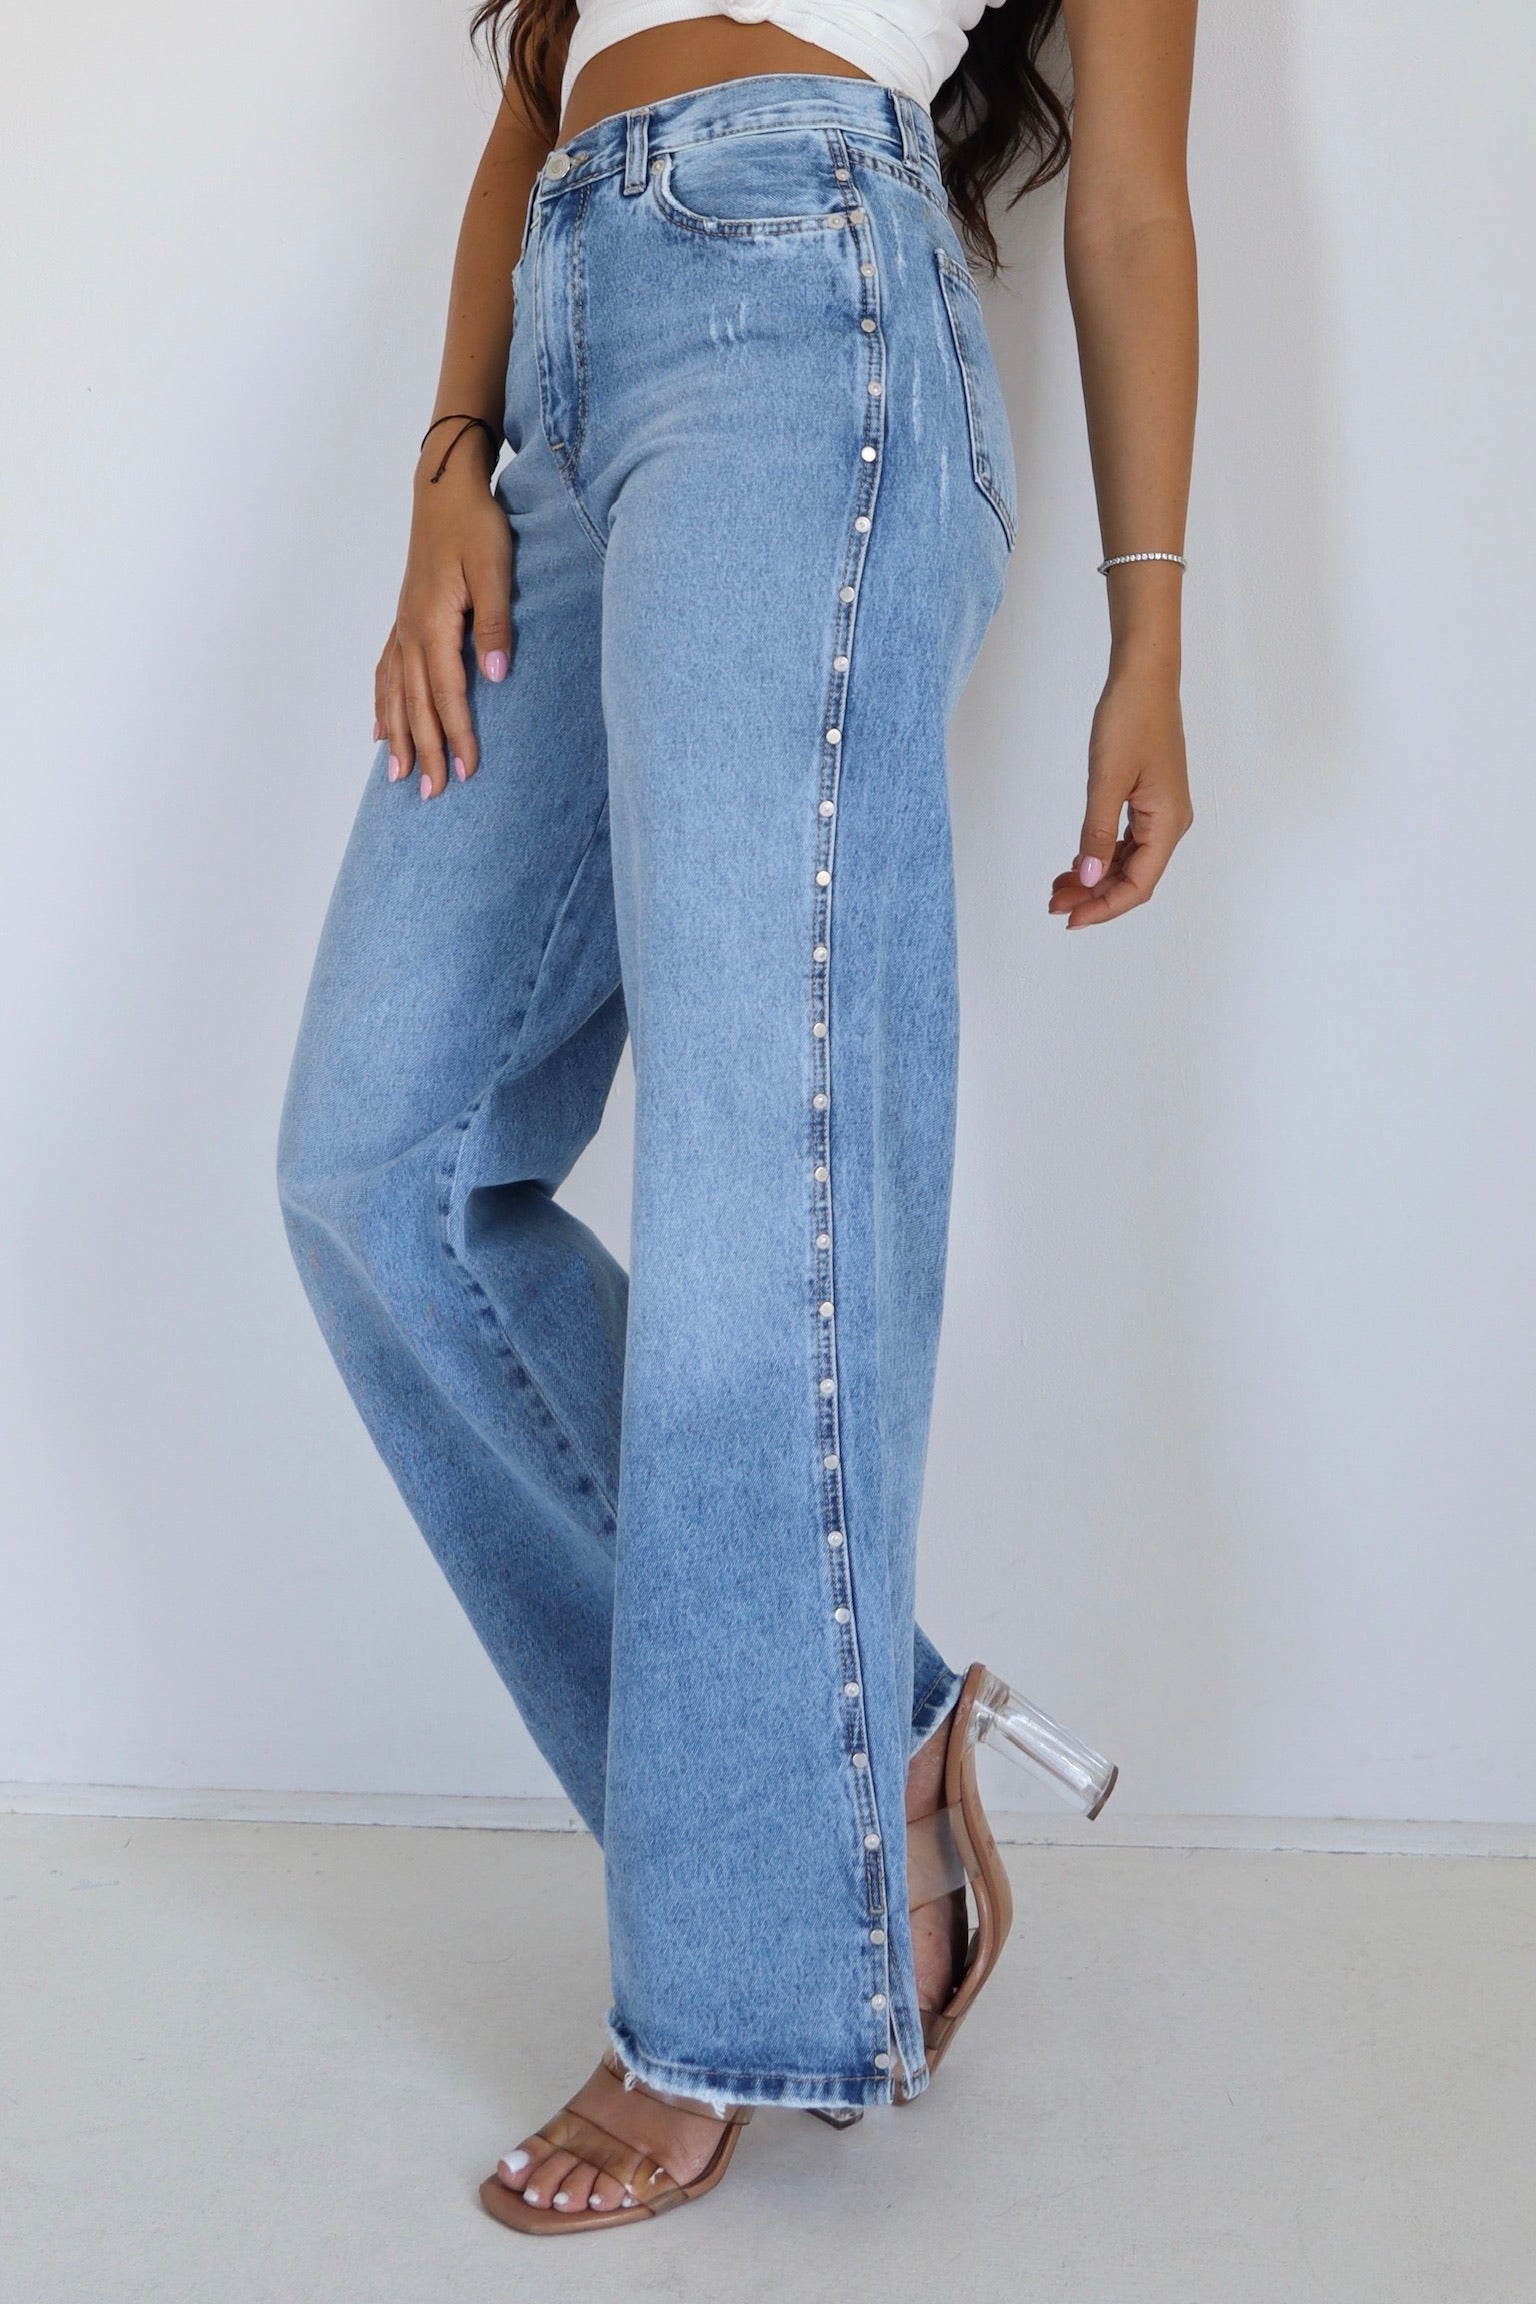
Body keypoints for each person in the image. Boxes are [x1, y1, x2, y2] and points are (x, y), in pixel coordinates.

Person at [276, 0, 1197, 2237]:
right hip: (566, 373)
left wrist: (1151, 645)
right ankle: (871, 1765)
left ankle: (730, 1998)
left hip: (815, 326)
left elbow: (1134, 207)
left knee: (753, 1189)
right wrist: (449, 462)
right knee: (384, 1167)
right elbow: (531, 106)